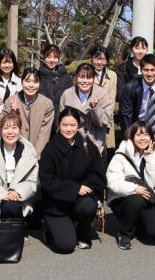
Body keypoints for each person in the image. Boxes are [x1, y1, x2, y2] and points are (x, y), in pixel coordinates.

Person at [38, 107, 106, 253]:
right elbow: (47, 180)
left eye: (73, 125)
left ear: (78, 125)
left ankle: (83, 233)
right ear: (59, 125)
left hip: (79, 201)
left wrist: (85, 188)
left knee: (88, 205)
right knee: (66, 246)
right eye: (65, 125)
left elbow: (97, 174)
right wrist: (74, 189)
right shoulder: (50, 148)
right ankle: (51, 232)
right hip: (55, 205)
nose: (69, 129)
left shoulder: (87, 145)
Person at [106, 121, 155, 249]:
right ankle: (125, 234)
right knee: (136, 200)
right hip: (122, 200)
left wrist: (150, 157)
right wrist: (135, 189)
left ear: (151, 137)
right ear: (131, 137)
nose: (143, 138)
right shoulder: (120, 155)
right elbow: (113, 182)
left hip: (145, 199)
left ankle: (136, 225)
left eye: (146, 134)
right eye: (139, 134)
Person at [0, 67, 54, 156]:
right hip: (12, 152)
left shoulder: (47, 104)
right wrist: (13, 115)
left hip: (36, 155)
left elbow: (44, 135)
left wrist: (34, 155)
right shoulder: (11, 101)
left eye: (35, 82)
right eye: (27, 81)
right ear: (21, 82)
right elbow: (2, 125)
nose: (31, 85)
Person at [58, 63, 114, 154]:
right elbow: (60, 122)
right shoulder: (67, 94)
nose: (85, 81)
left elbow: (104, 122)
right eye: (81, 77)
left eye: (88, 78)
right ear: (76, 77)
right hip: (71, 144)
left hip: (95, 144)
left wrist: (95, 108)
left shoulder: (102, 94)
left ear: (93, 79)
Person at [90, 44, 121, 150]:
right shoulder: (86, 73)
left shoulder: (112, 75)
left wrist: (105, 118)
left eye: (103, 59)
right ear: (91, 59)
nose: (99, 62)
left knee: (107, 150)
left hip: (106, 118)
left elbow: (112, 98)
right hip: (90, 117)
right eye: (96, 58)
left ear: (107, 61)